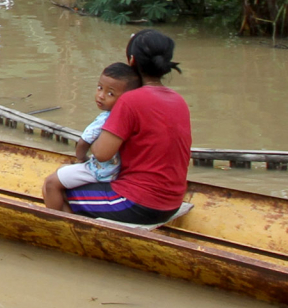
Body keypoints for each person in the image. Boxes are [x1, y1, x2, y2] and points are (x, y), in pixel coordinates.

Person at [40, 30, 190, 225]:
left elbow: (101, 153)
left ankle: (66, 236)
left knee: (55, 188)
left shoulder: (129, 101)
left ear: (132, 61)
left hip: (138, 203)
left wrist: (97, 130)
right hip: (173, 202)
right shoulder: (178, 100)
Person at [68, 61, 141, 184]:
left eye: (110, 93)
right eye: (99, 88)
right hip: (119, 173)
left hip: (101, 173)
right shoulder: (132, 117)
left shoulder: (104, 119)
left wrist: (82, 158)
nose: (101, 96)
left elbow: (83, 142)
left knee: (52, 183)